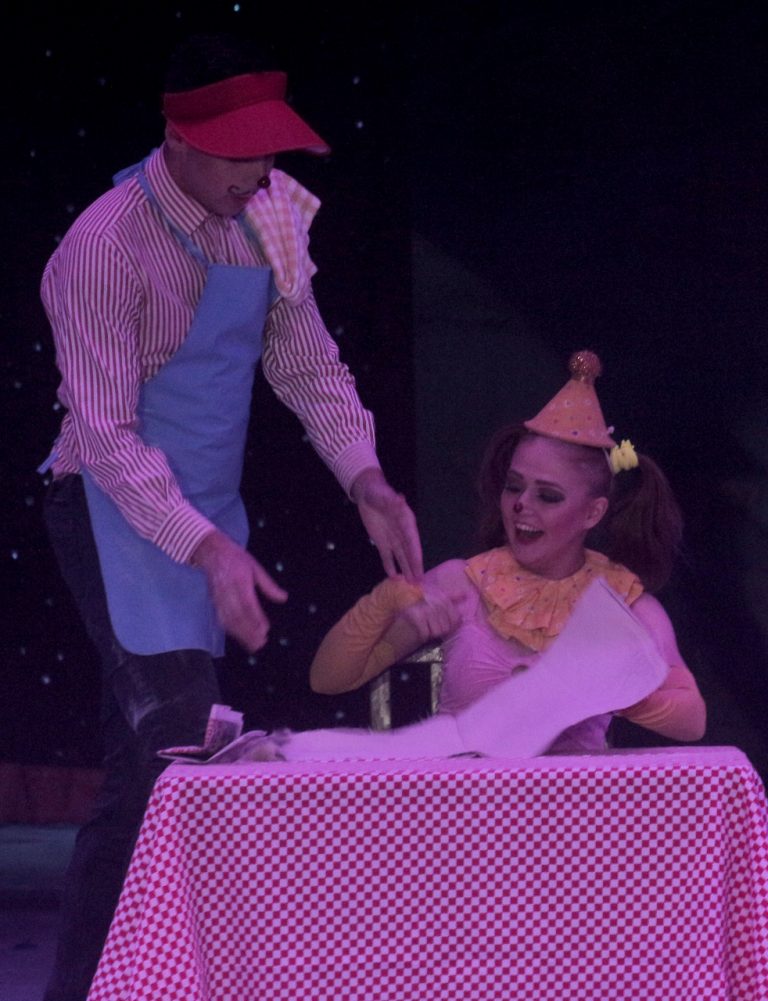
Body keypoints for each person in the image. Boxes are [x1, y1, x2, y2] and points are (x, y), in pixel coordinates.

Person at [38, 32, 421, 1001]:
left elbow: (306, 362)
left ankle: (119, 983)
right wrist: (205, 550)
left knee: (144, 773)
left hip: (205, 509)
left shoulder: (270, 213)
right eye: (237, 152)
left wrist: (367, 479)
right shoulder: (104, 247)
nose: (257, 171)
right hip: (110, 503)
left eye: (268, 149)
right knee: (178, 739)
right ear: (178, 137)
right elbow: (108, 434)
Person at [308, 350, 706, 752]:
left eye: (548, 496)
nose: (520, 505)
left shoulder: (622, 603)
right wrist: (385, 600)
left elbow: (693, 720)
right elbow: (328, 679)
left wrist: (609, 688)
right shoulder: (463, 584)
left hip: (573, 793)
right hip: (465, 789)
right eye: (514, 486)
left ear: (592, 513)